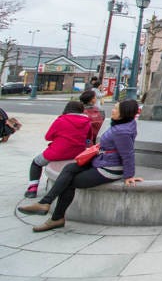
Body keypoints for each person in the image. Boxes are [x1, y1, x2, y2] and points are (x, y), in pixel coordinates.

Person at [19, 99, 143, 232]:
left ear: (124, 113)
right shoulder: (123, 124)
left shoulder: (121, 131)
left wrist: (129, 175)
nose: (112, 110)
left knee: (69, 182)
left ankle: (56, 218)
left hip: (109, 168)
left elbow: (128, 153)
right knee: (69, 168)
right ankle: (44, 203)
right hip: (101, 160)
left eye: (116, 108)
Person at [24, 101, 91, 199]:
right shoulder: (87, 122)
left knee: (36, 162)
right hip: (77, 152)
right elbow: (88, 138)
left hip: (57, 152)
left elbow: (48, 137)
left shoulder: (61, 120)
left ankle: (32, 189)